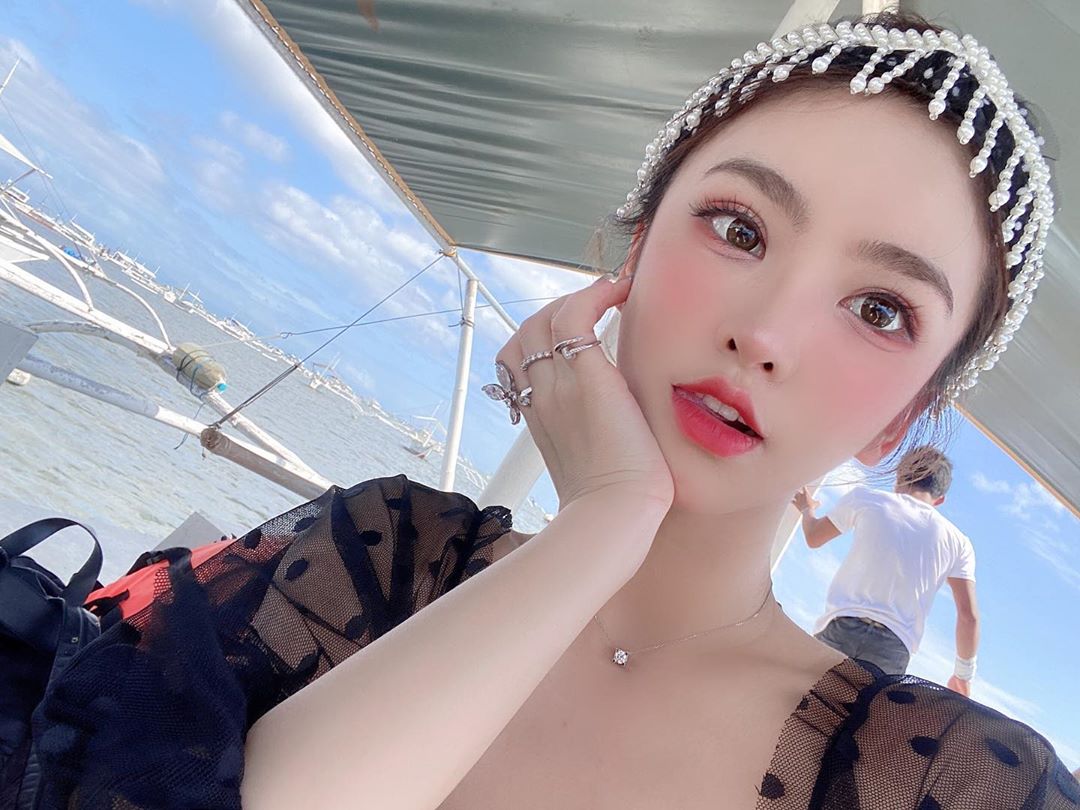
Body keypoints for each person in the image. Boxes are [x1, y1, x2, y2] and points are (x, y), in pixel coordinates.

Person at [32, 10, 1079, 810]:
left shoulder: (950, 781)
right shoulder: (375, 554)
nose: (766, 334)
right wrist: (601, 526)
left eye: (880, 309)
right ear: (635, 252)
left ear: (901, 421)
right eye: (741, 229)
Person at [792, 447, 979, 687]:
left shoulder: (865, 499)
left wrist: (807, 509)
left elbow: (814, 537)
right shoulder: (959, 542)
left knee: (800, 702)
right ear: (940, 498)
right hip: (892, 650)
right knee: (853, 712)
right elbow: (968, 617)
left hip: (841, 627)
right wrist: (963, 676)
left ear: (899, 475)